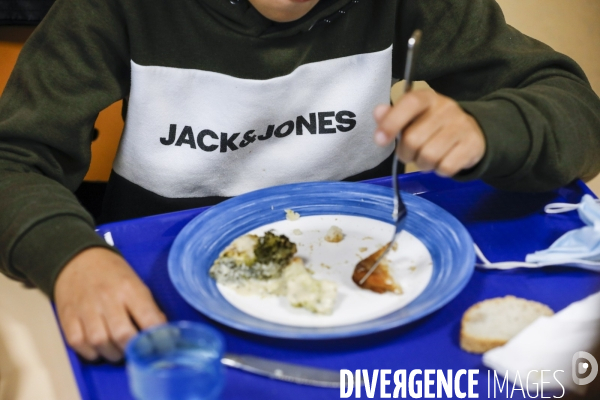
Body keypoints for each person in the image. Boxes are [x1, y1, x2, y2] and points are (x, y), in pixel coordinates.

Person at [1, 0, 599, 362]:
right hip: (166, 307)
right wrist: (69, 256)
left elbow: (578, 115)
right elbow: (12, 158)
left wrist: (489, 128)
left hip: (363, 302)